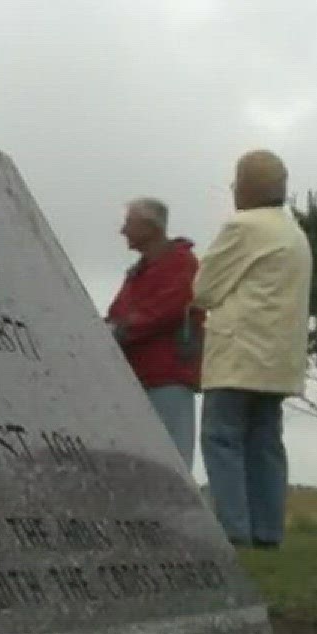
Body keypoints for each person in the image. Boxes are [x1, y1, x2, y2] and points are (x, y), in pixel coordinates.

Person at [195, 150, 313, 550]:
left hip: (238, 353)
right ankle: (267, 531)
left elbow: (204, 289)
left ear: (245, 186)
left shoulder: (243, 227)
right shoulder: (295, 234)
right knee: (265, 442)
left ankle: (233, 530)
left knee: (221, 437)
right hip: (279, 357)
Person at [105, 198, 202, 467]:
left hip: (167, 377)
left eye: (128, 223)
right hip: (140, 378)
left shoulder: (182, 264)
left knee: (172, 460)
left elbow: (164, 311)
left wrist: (116, 330)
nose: (123, 231)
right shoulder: (141, 271)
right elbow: (120, 312)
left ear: (149, 226)